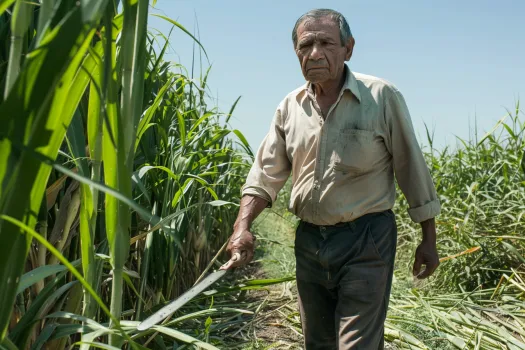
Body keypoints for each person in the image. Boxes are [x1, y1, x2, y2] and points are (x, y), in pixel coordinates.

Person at [220, 8, 441, 349]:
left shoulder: (381, 97)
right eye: (305, 45)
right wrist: (242, 227)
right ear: (296, 53)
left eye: (326, 43)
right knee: (319, 343)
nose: (314, 53)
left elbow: (411, 167)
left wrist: (429, 237)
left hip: (366, 238)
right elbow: (264, 175)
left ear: (348, 49)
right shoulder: (289, 108)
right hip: (309, 242)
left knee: (356, 344)